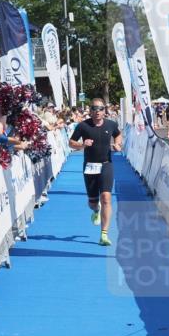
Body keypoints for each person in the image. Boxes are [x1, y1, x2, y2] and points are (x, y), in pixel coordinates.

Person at [69, 97, 121, 246]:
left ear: (104, 111)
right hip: (90, 166)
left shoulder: (111, 124)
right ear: (90, 111)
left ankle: (104, 235)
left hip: (106, 165)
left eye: (100, 109)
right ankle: (96, 210)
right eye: (94, 108)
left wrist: (117, 144)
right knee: (93, 202)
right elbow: (71, 143)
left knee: (106, 197)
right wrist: (82, 145)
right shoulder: (83, 126)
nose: (97, 111)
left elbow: (118, 134)